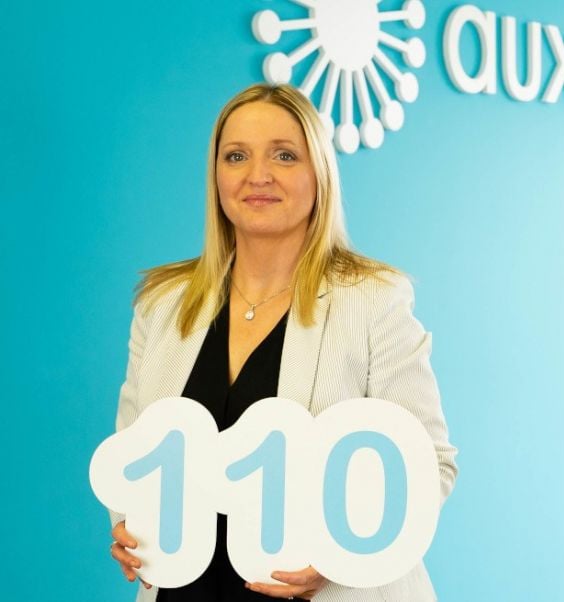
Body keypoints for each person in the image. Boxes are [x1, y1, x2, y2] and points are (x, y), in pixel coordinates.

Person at [106, 83, 458, 601]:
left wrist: (344, 554)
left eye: (284, 155)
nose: (258, 175)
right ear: (216, 176)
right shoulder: (162, 304)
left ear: (319, 173)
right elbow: (135, 454)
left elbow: (429, 465)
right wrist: (130, 525)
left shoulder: (374, 301)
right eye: (237, 156)